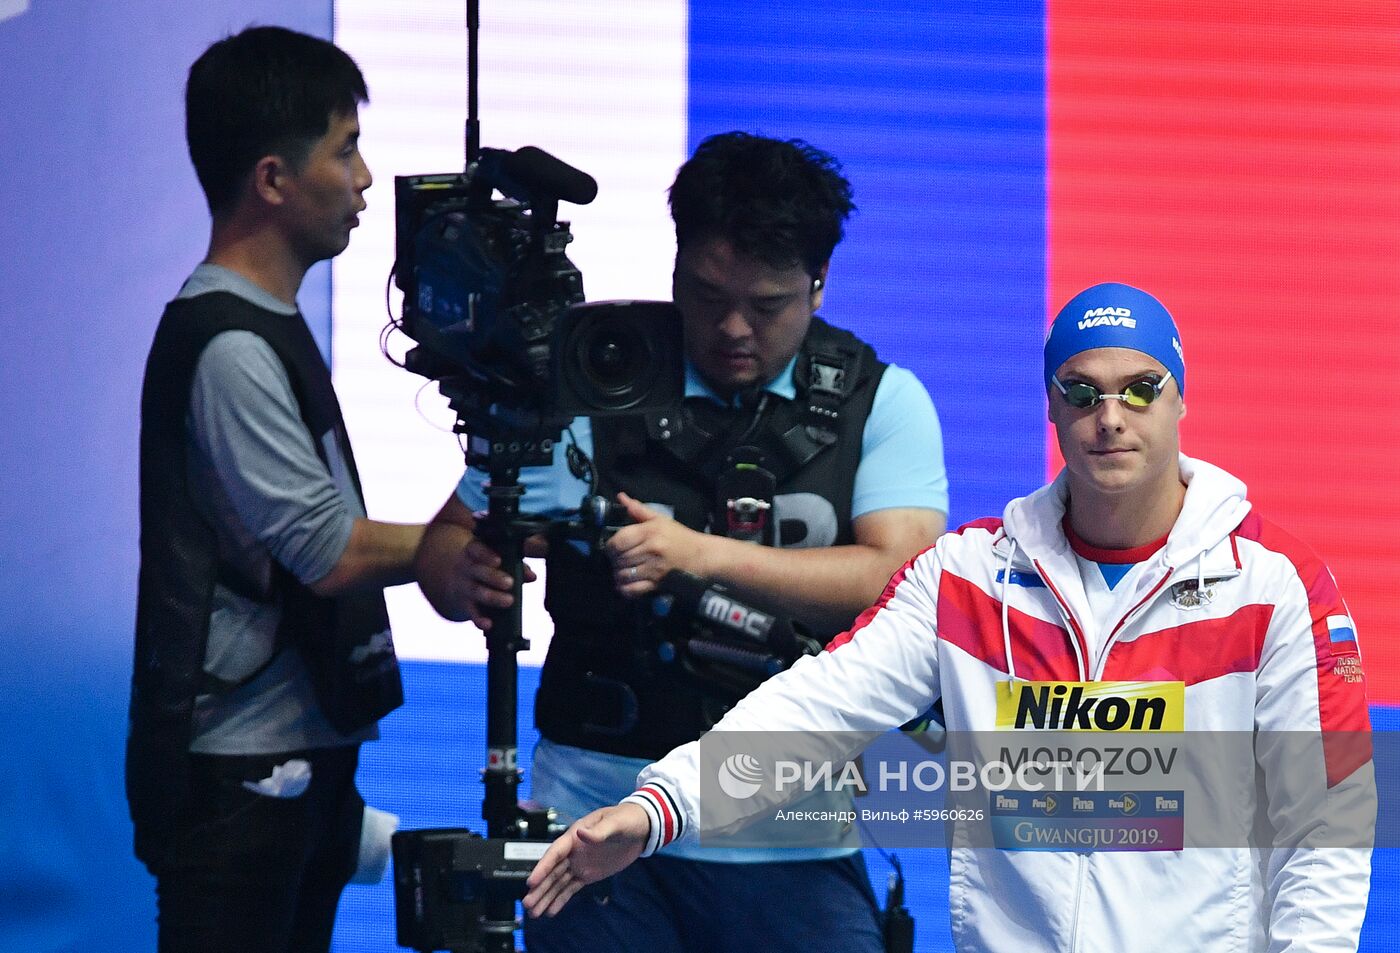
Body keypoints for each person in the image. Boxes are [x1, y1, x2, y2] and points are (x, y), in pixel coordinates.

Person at [522, 282, 1376, 952]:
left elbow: (1326, 824)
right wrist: (657, 805)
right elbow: (815, 708)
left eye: (1139, 389)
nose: (1109, 417)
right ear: (1050, 408)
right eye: (1081, 392)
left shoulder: (1274, 586)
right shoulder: (969, 575)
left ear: (1181, 399)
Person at [416, 132, 949, 951]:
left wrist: (697, 555)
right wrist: (459, 576)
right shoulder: (594, 375)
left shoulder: (882, 401)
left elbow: (898, 580)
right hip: (593, 824)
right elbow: (452, 539)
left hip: (791, 831)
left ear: (819, 284)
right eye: (705, 295)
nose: (733, 327)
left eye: (767, 306)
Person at [126, 26, 422, 953]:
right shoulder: (229, 344)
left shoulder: (265, 324)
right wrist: (458, 539)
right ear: (272, 179)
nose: (366, 177)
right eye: (345, 148)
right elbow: (326, 550)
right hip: (242, 780)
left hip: (296, 765)